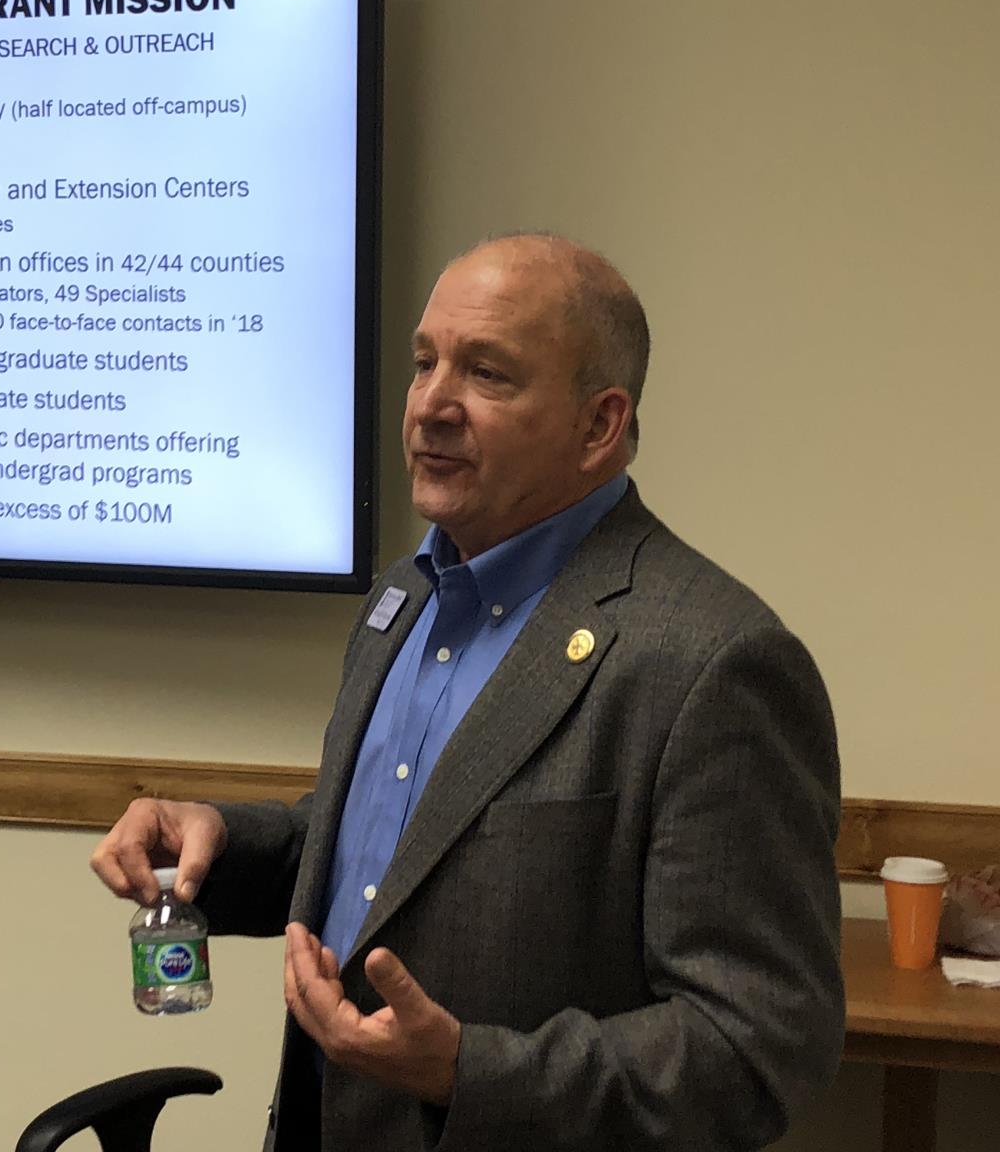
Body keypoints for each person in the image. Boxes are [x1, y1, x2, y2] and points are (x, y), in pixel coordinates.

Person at [91, 234, 843, 1151]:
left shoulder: (712, 660)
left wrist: (468, 1072)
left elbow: (758, 1047)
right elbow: (389, 867)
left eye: (487, 373)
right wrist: (222, 842)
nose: (430, 406)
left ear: (599, 425)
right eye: (423, 363)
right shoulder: (405, 596)